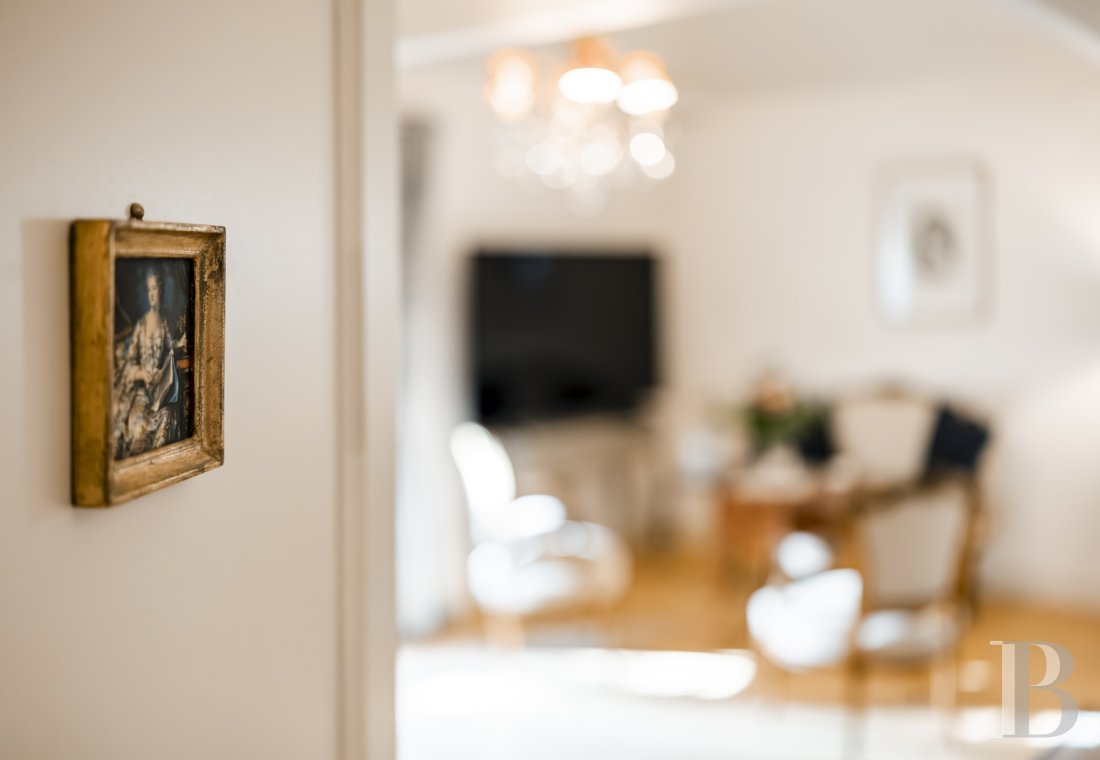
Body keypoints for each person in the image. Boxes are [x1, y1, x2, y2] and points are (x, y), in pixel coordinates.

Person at [112, 270, 180, 459]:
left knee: (167, 419)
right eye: (148, 289)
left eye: (154, 289)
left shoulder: (165, 324)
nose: (151, 294)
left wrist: (176, 347)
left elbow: (170, 347)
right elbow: (128, 363)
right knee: (139, 427)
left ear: (161, 291)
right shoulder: (141, 325)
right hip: (140, 392)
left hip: (157, 392)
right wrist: (142, 373)